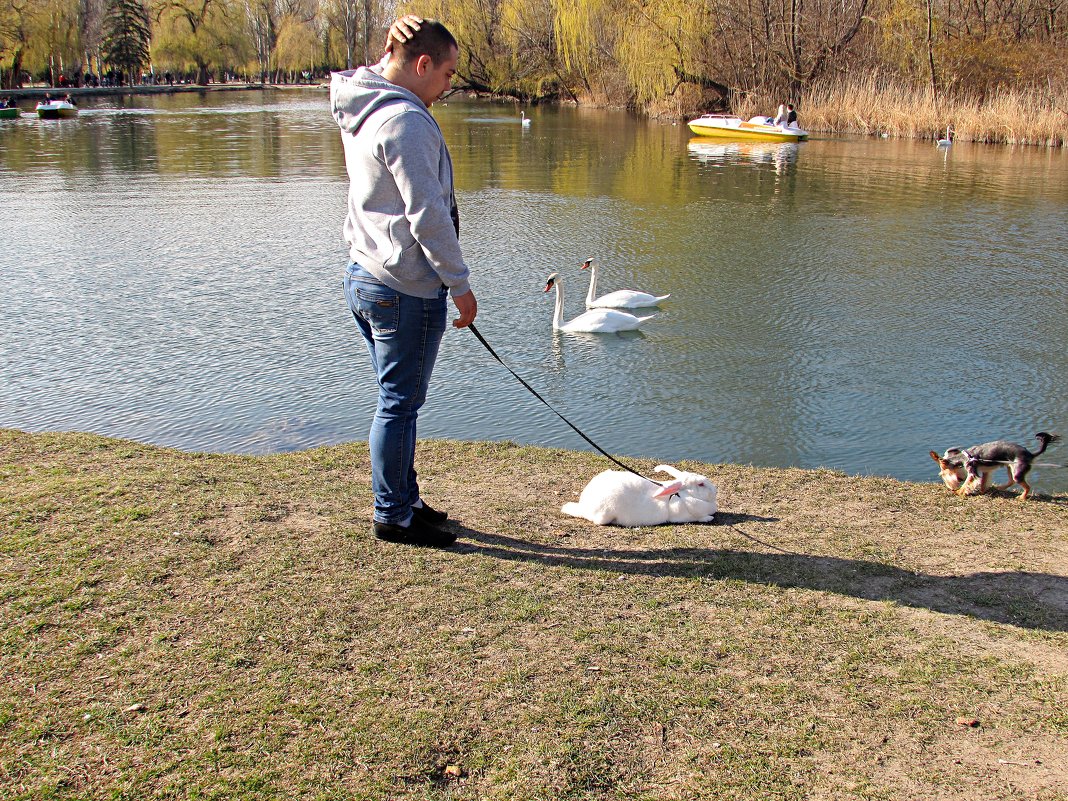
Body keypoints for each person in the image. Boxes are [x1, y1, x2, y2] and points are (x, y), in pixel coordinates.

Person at [331, 16, 476, 548]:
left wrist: (391, 38)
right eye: (446, 74)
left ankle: (405, 499)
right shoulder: (406, 122)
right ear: (421, 65)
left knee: (399, 399)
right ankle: (393, 514)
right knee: (399, 403)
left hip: (365, 272)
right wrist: (459, 285)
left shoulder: (362, 103)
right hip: (403, 285)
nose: (447, 87)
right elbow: (428, 214)